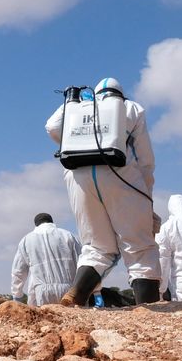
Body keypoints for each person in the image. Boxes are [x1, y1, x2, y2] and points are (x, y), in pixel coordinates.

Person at [45, 77, 162, 306]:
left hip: (77, 177)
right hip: (120, 173)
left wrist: (72, 102)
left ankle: (76, 294)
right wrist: (146, 200)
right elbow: (145, 161)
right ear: (120, 94)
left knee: (97, 246)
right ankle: (147, 309)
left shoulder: (78, 108)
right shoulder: (131, 108)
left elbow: (52, 127)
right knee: (138, 245)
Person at [11, 213, 82, 306]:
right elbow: (83, 261)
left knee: (48, 319)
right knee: (70, 319)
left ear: (36, 224)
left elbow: (18, 271)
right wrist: (95, 290)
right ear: (51, 222)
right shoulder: (67, 235)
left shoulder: (26, 240)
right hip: (69, 291)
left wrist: (17, 294)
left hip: (42, 293)